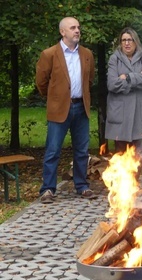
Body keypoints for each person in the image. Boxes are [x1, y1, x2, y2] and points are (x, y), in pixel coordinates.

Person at [35, 17, 95, 203]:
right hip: (59, 108)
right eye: (72, 28)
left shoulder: (87, 54)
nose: (77, 30)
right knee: (53, 150)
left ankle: (82, 186)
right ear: (63, 32)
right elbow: (41, 82)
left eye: (78, 27)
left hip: (81, 107)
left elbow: (90, 80)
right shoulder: (49, 54)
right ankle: (48, 189)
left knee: (82, 150)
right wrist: (55, 98)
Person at [105, 28, 142, 154]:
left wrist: (127, 77)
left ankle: (136, 175)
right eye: (124, 40)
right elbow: (112, 84)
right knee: (120, 155)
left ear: (135, 41)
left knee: (137, 155)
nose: (127, 43)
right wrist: (137, 77)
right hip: (120, 113)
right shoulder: (114, 59)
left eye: (130, 40)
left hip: (139, 113)